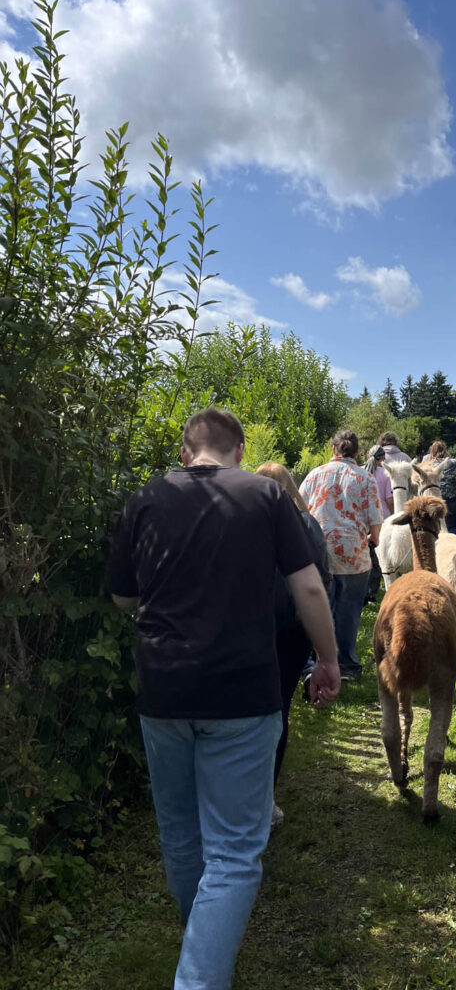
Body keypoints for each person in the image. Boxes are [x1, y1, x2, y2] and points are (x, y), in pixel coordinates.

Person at [107, 408, 340, 990]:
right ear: (238, 449)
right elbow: (309, 584)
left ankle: (202, 945)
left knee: (181, 835)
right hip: (242, 693)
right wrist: (329, 659)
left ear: (185, 453)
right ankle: (201, 974)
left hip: (162, 690)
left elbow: (122, 598)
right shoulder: (265, 495)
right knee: (235, 851)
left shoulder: (145, 498)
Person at [255, 462, 332, 828]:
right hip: (292, 633)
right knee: (277, 711)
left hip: (246, 630)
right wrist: (322, 651)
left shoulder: (238, 523)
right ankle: (265, 802)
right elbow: (322, 580)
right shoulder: (308, 525)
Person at [300, 429, 383, 680]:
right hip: (353, 553)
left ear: (333, 450)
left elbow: (299, 508)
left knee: (318, 608)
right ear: (357, 452)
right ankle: (346, 665)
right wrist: (374, 540)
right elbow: (375, 520)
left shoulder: (315, 474)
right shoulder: (365, 478)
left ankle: (313, 662)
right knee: (348, 610)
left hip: (318, 550)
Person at [364, 444, 393, 603]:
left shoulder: (360, 471)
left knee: (364, 555)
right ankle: (371, 592)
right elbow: (389, 499)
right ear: (383, 458)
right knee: (377, 557)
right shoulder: (386, 474)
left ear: (368, 456)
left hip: (363, 519)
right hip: (382, 520)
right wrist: (393, 512)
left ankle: (362, 589)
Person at [425, 440, 456, 536]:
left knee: (437, 527)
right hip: (455, 499)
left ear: (432, 451)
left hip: (436, 499)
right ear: (445, 450)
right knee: (454, 527)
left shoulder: (429, 465)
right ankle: (454, 546)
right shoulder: (454, 463)